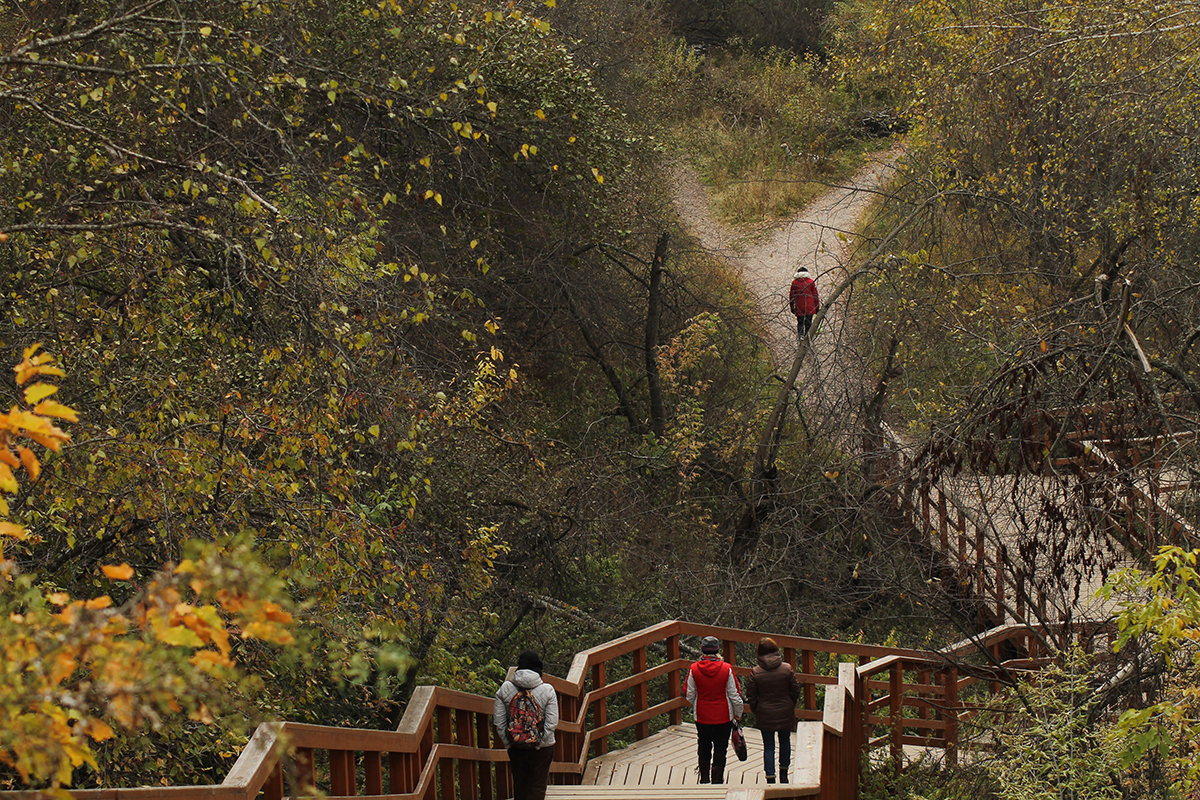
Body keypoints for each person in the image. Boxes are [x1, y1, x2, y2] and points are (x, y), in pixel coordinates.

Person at [493, 651, 560, 800]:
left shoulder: (505, 688)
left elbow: (499, 722)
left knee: (520, 786)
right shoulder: (547, 690)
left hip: (516, 745)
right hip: (543, 747)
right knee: (537, 786)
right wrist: (539, 743)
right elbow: (552, 722)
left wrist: (509, 742)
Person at [685, 635, 744, 784]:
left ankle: (704, 778)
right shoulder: (726, 669)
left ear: (702, 649)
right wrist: (738, 713)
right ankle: (717, 780)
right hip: (723, 716)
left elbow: (689, 694)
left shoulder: (694, 668)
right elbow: (734, 694)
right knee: (720, 748)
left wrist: (697, 703)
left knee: (703, 745)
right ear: (717, 650)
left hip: (702, 715)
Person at [745, 637, 801, 784]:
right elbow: (795, 690)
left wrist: (757, 709)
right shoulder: (787, 668)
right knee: (785, 741)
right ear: (777, 651)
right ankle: (784, 772)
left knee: (768, 745)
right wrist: (790, 704)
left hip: (765, 713)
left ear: (759, 653)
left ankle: (770, 775)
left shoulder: (756, 672)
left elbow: (751, 695)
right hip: (785, 710)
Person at [789, 266, 820, 338]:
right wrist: (817, 307)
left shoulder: (794, 283)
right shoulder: (811, 282)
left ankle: (801, 337)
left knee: (800, 323)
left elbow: (792, 296)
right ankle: (808, 338)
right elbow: (815, 296)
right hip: (810, 307)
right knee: (808, 324)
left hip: (799, 307)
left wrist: (792, 307)